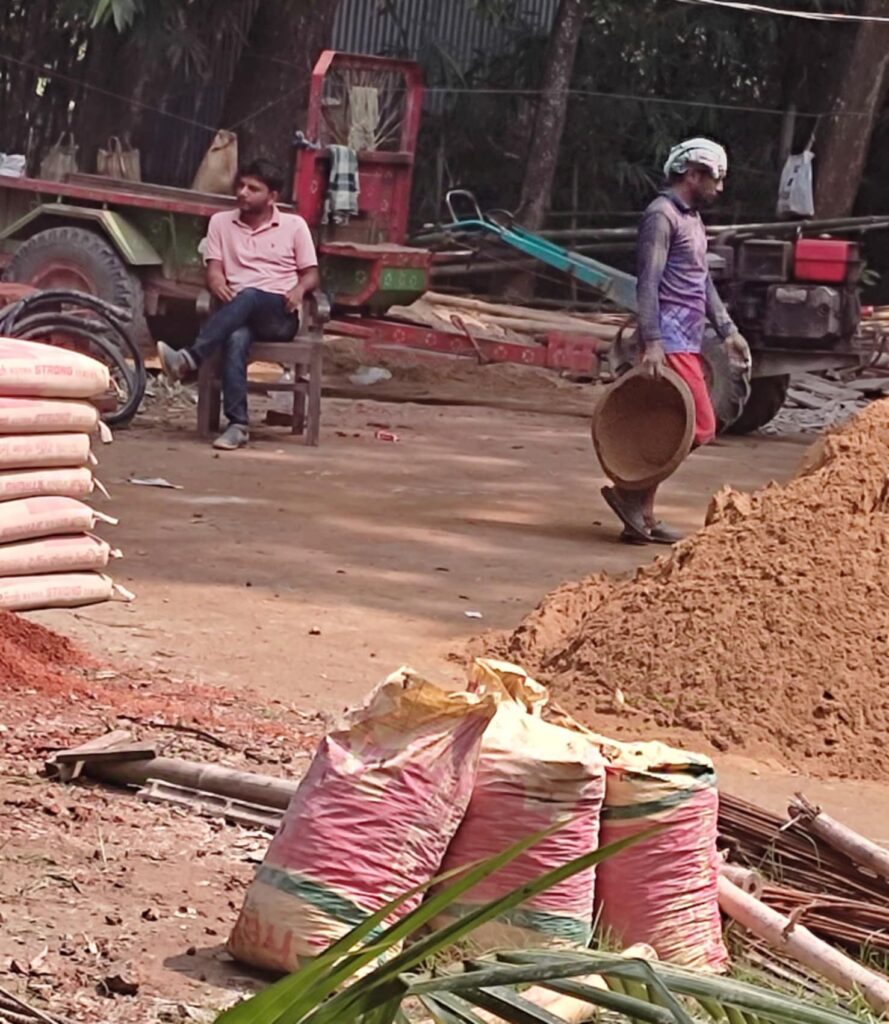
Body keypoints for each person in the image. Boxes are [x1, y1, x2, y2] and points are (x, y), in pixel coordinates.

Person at [602, 137, 750, 544]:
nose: (718, 189)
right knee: (697, 426)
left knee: (685, 428)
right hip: (668, 338)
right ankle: (632, 496)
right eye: (715, 180)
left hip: (687, 338)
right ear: (693, 174)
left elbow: (701, 281)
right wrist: (652, 341)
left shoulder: (693, 220)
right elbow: (647, 283)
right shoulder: (661, 216)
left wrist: (728, 330)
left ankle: (640, 511)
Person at [157, 158, 321, 450]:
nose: (242, 192)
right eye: (241, 185)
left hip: (279, 315)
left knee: (251, 295)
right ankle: (238, 425)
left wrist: (299, 289)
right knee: (236, 336)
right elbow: (214, 268)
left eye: (253, 188)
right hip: (238, 313)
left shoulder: (294, 226)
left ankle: (189, 359)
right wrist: (216, 280)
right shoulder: (220, 222)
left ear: (272, 197)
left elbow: (312, 274)